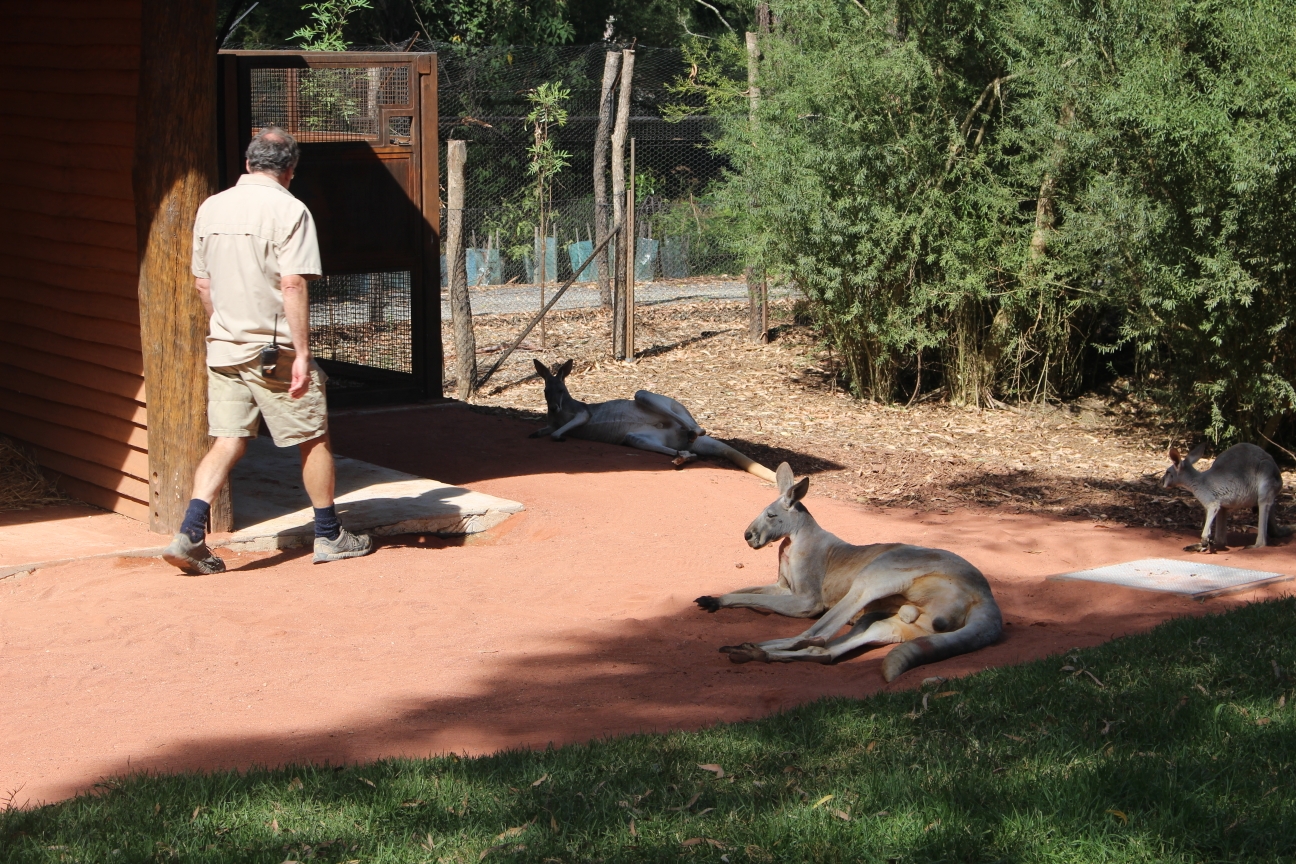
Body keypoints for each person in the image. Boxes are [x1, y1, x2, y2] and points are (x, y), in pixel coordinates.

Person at [162, 127, 373, 575]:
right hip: (272, 348)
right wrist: (301, 353)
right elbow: (292, 282)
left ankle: (189, 532)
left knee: (228, 439)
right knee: (313, 436)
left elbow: (204, 283)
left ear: (247, 164)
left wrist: (223, 327)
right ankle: (330, 533)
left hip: (224, 346)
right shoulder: (290, 210)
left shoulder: (211, 206)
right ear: (290, 171)